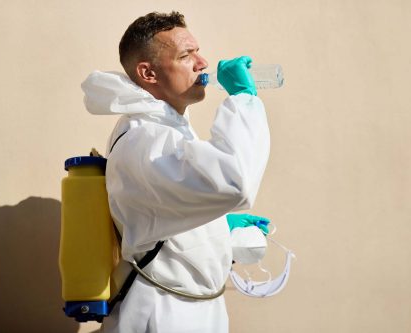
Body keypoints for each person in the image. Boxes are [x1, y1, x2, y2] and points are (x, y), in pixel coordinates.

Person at [81, 11, 270, 333]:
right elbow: (234, 181)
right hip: (163, 312)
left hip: (194, 306)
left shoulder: (166, 130)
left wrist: (219, 228)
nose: (203, 63)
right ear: (148, 73)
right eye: (186, 55)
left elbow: (163, 215)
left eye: (197, 51)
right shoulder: (146, 139)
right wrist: (243, 100)